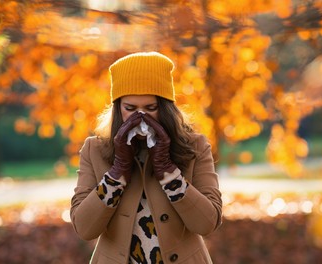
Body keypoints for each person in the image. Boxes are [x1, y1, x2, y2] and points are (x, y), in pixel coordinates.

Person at [70, 51, 222, 264]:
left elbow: (207, 223)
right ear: (118, 108)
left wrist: (169, 173)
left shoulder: (195, 146)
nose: (140, 118)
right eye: (130, 108)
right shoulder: (94, 149)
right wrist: (117, 173)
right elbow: (84, 228)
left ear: (166, 108)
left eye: (151, 108)